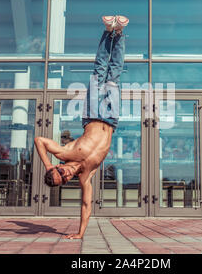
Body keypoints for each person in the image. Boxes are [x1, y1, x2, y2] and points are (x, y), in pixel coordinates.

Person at [34, 15, 129, 240]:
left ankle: (107, 31)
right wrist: (80, 232)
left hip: (94, 114)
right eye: (64, 180)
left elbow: (40, 140)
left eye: (60, 174)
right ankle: (120, 34)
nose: (66, 176)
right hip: (112, 118)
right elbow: (86, 204)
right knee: (114, 74)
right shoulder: (85, 176)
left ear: (57, 168)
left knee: (100, 71)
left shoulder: (65, 153)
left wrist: (47, 164)